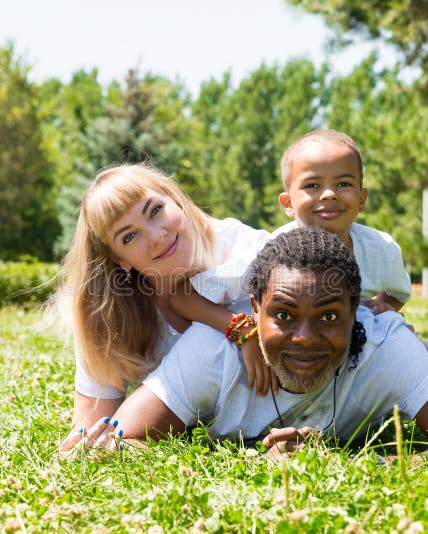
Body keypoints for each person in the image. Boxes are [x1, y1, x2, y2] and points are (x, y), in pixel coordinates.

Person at [81, 228, 428, 458]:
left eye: (328, 317)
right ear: (254, 309)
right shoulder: (211, 352)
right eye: (284, 316)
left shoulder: (385, 347)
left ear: (355, 310)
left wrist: (372, 465)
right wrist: (250, 466)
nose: (304, 340)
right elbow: (119, 439)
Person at [170, 130, 428, 396]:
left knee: (423, 353)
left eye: (344, 184)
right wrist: (244, 332)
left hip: (340, 363)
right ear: (287, 203)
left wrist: (382, 309)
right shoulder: (270, 256)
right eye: (312, 185)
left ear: (362, 199)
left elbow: (397, 293)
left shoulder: (381, 249)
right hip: (268, 374)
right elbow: (183, 298)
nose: (329, 194)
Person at [48, 164, 269, 452]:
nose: (156, 235)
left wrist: (247, 327)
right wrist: (89, 443)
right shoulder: (112, 313)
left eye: (155, 210)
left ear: (173, 199)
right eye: (129, 236)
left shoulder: (243, 248)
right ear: (119, 259)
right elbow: (91, 428)